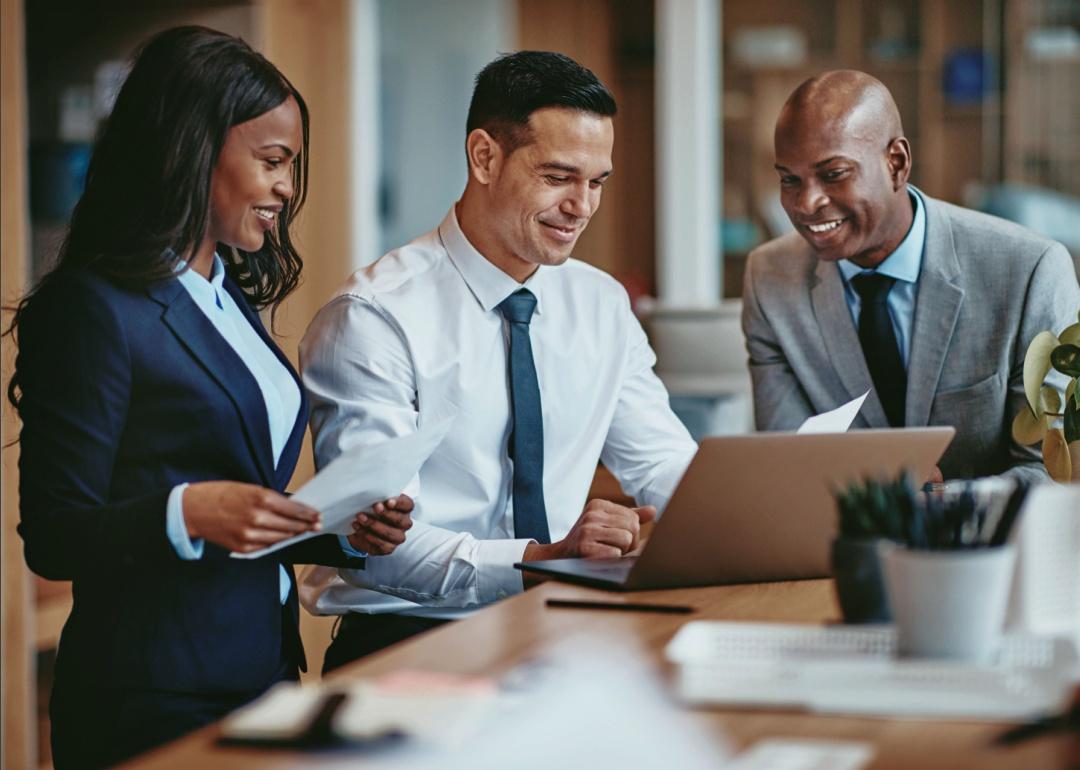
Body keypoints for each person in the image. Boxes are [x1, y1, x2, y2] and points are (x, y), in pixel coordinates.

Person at [7, 26, 413, 769]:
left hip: (262, 677)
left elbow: (241, 517)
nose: (286, 189)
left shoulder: (228, 302)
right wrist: (188, 510)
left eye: (291, 165)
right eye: (271, 162)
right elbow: (56, 533)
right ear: (193, 149)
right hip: (149, 699)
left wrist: (342, 533)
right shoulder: (94, 307)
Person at [299, 50, 697, 671]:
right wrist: (546, 558)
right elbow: (379, 549)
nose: (582, 206)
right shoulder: (374, 317)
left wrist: (739, 521)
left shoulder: (601, 304)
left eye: (596, 182)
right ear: (484, 156)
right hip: (410, 647)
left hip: (565, 635)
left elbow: (662, 461)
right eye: (559, 176)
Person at [741, 70, 1080, 481]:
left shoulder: (1029, 271)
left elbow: (1048, 471)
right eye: (790, 180)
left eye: (833, 174)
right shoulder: (769, 279)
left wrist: (943, 505)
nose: (806, 203)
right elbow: (787, 463)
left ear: (896, 163)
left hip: (987, 541)